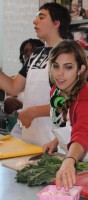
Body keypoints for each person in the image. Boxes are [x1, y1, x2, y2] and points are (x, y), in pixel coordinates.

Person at [43, 40, 88, 191]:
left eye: (68, 67)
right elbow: (68, 124)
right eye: (55, 66)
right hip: (75, 161)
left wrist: (69, 159)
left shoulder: (86, 99)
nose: (60, 73)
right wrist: (56, 141)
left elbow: (83, 129)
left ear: (80, 69)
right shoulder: (56, 91)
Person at [0, 2, 71, 146]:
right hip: (31, 137)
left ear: (56, 23)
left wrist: (33, 112)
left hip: (56, 139)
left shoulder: (69, 53)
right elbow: (14, 87)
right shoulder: (36, 54)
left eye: (41, 17)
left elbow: (69, 102)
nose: (34, 21)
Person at [3, 38, 44, 133]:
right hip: (17, 134)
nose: (29, 54)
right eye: (25, 51)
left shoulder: (49, 79)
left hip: (42, 133)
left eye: (33, 51)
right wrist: (7, 104)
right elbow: (7, 113)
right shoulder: (13, 80)